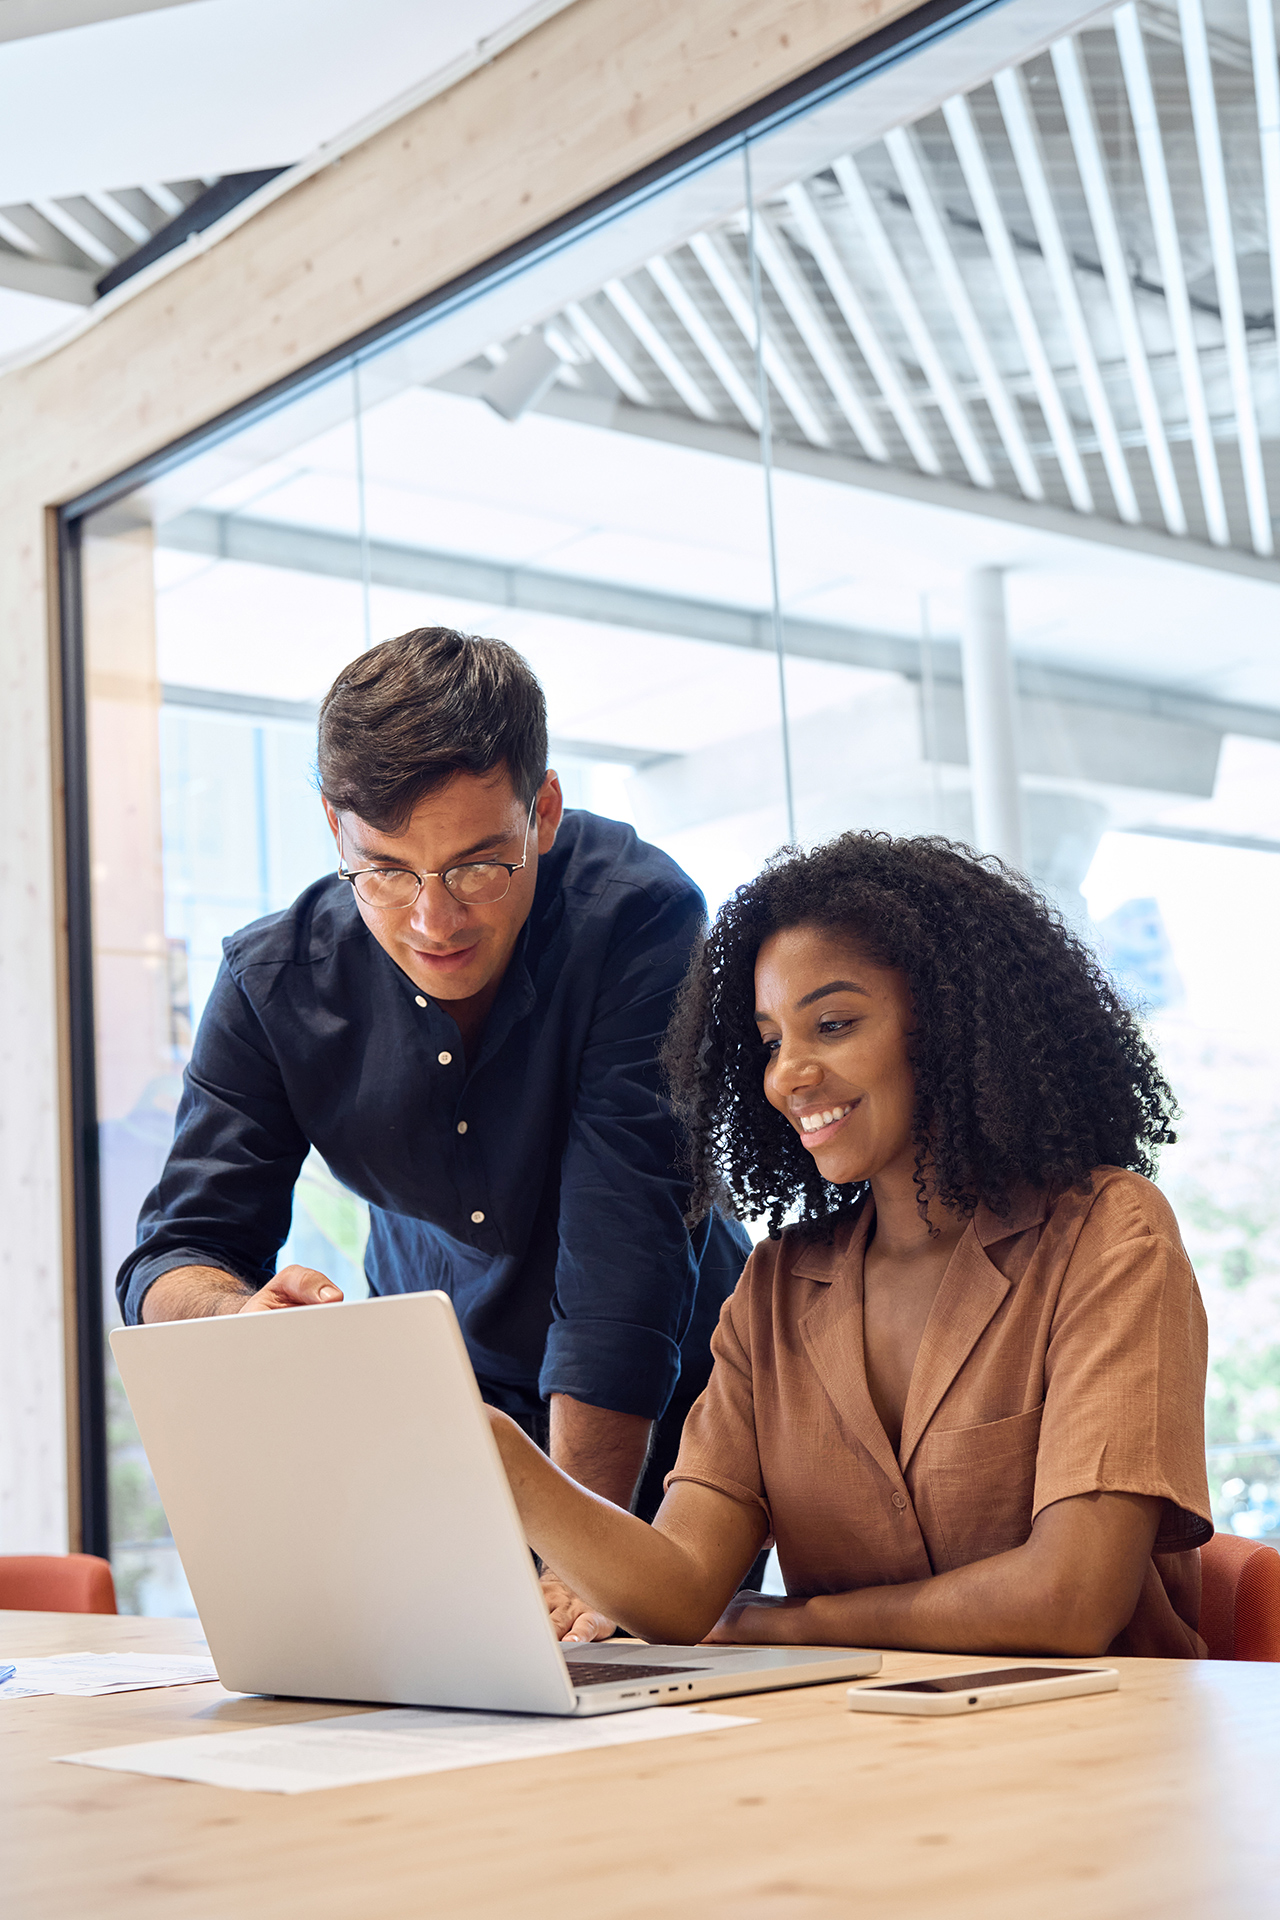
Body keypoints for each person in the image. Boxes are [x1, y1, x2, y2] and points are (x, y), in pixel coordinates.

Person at [118, 627, 750, 1598]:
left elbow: (621, 1254)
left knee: (663, 1711)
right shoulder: (271, 983)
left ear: (540, 811)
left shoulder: (636, 916)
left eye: (475, 865)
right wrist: (237, 1313)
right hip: (457, 1418)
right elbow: (173, 1253)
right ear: (335, 827)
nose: (432, 919)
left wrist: (579, 1561)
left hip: (671, 1407)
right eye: (387, 872)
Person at [486, 832, 1214, 1657]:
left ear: (948, 1024)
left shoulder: (1107, 1235)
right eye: (769, 1042)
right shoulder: (777, 1290)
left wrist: (797, 1623)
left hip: (1103, 1752)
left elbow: (1071, 1601)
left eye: (831, 1024)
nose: (786, 1073)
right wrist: (510, 1462)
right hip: (868, 1755)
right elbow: (685, 1589)